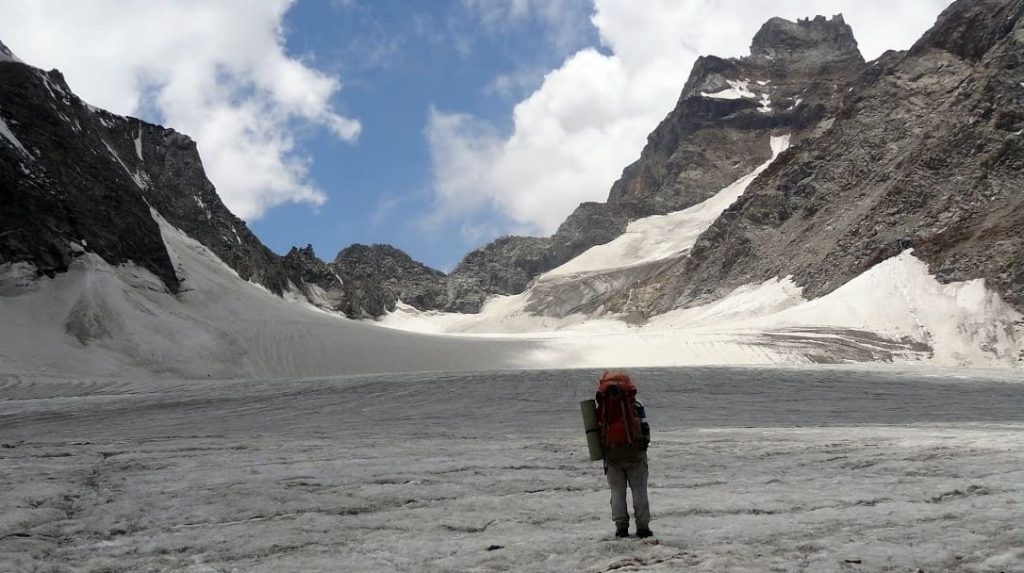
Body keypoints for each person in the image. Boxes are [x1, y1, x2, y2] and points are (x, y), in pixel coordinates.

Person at [595, 370, 652, 538]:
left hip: (612, 457)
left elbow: (596, 431)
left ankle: (621, 528)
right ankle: (643, 528)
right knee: (639, 491)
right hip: (635, 456)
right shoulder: (635, 405)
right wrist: (643, 448)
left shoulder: (602, 408)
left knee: (617, 493)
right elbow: (645, 428)